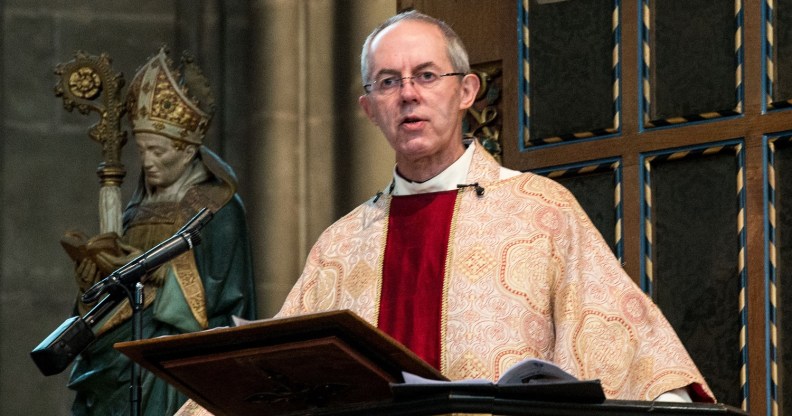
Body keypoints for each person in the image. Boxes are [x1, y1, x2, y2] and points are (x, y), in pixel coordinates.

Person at [176, 10, 714, 415]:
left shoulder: (540, 212)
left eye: (426, 75)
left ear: (466, 91)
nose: (408, 94)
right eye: (387, 81)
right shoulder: (342, 245)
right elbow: (273, 369)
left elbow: (629, 349)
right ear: (369, 108)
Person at [65, 47, 257, 416]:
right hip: (114, 364)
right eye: (142, 150)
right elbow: (110, 302)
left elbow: (227, 310)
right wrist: (91, 285)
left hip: (170, 368)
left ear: (186, 151)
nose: (148, 162)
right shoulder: (135, 209)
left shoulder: (217, 209)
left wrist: (150, 270)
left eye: (158, 150)